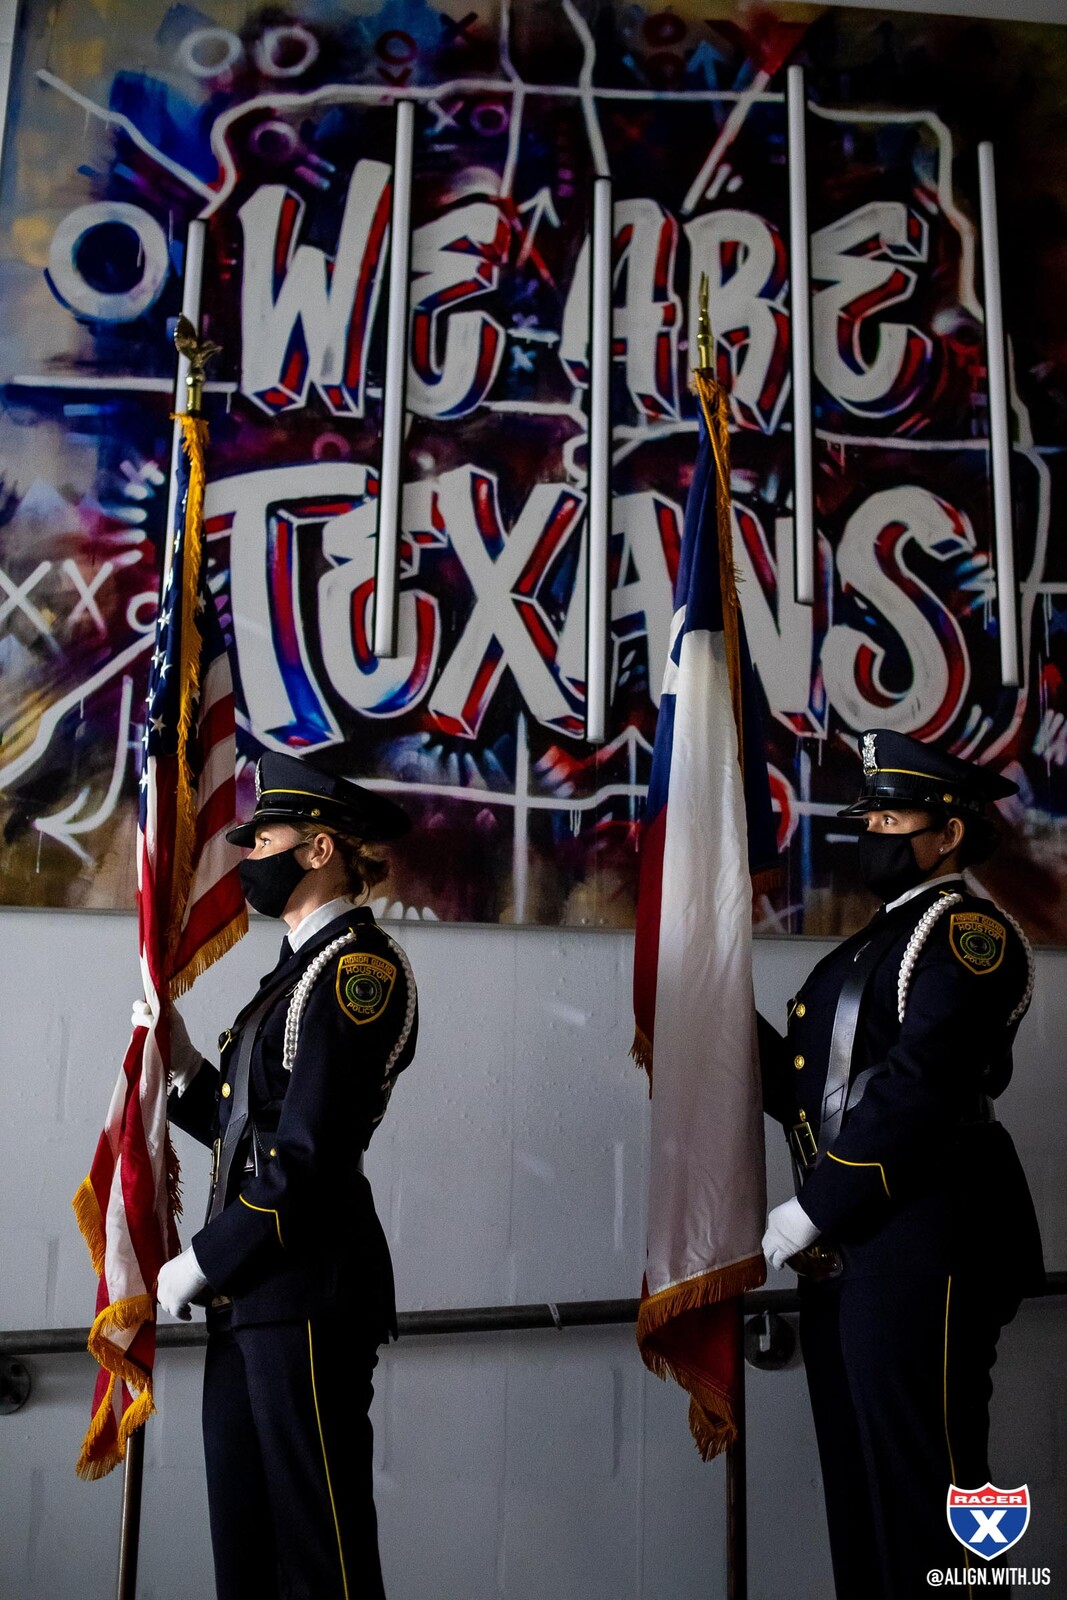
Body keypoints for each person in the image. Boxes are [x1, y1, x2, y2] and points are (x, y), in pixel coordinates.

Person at [758, 729, 1044, 1600]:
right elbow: (815, 1089)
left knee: (930, 1493)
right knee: (862, 1494)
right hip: (857, 1245)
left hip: (925, 1239)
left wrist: (812, 1208)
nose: (871, 832)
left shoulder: (963, 931)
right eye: (868, 815)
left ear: (948, 832)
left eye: (891, 815)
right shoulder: (876, 941)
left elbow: (919, 1088)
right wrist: (708, 1010)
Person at [150, 751, 417, 1600]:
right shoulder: (292, 974)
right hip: (253, 1298)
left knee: (318, 1558)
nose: (248, 853)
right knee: (247, 1553)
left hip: (305, 1294)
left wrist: (204, 1257)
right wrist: (188, 1066)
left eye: (263, 836)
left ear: (317, 850)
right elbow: (251, 1135)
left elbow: (307, 1160)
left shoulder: (353, 972)